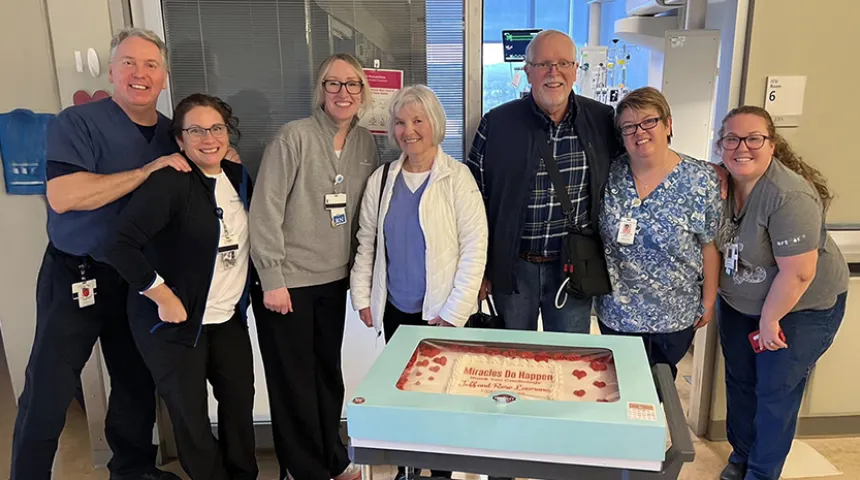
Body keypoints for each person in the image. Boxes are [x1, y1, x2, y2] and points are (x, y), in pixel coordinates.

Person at [11, 28, 183, 480]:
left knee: (134, 383)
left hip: (138, 279)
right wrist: (147, 171)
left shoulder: (172, 134)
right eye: (128, 63)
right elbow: (66, 195)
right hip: (77, 274)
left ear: (164, 77)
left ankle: (132, 470)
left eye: (150, 65)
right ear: (111, 71)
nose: (139, 74)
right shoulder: (77, 122)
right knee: (49, 386)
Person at [105, 94, 258, 480]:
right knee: (190, 416)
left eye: (216, 128)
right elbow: (119, 245)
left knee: (239, 403)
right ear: (179, 140)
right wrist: (162, 295)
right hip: (173, 323)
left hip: (226, 318)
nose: (208, 138)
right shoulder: (170, 182)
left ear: (229, 133)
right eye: (196, 130)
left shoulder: (238, 177)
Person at [249, 53, 379, 480]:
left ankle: (332, 456)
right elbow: (264, 211)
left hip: (333, 281)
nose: (344, 93)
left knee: (326, 374)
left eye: (352, 84)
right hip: (287, 282)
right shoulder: (293, 138)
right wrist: (272, 278)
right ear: (320, 90)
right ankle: (302, 468)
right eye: (333, 84)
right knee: (293, 383)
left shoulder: (366, 144)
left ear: (364, 91)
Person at [350, 85, 488, 480]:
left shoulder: (457, 178)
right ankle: (408, 468)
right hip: (397, 309)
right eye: (399, 122)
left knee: (444, 397)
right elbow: (367, 243)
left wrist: (454, 314)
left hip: (442, 314)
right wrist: (363, 296)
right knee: (405, 394)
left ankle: (442, 472)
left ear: (434, 125)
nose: (408, 130)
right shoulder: (382, 180)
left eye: (417, 121)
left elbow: (475, 249)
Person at [714, 106, 848, 480]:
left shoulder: (789, 195)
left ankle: (761, 472)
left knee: (775, 393)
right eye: (732, 139)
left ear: (772, 144)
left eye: (754, 138)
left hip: (799, 308)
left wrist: (771, 319)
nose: (743, 147)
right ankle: (740, 456)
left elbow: (800, 273)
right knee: (740, 381)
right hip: (740, 303)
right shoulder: (721, 183)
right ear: (721, 145)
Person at [466, 29, 622, 334]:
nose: (554, 73)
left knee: (567, 359)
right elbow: (473, 201)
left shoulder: (602, 119)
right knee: (512, 361)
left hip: (573, 266)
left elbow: (637, 165)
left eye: (564, 63)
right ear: (527, 72)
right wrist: (478, 271)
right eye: (543, 65)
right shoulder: (496, 124)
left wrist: (707, 170)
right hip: (512, 268)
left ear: (576, 70)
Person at [595, 87, 721, 379]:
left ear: (668, 124)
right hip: (617, 315)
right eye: (629, 127)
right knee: (618, 390)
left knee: (658, 391)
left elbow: (709, 245)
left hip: (673, 316)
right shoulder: (609, 174)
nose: (640, 132)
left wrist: (709, 300)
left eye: (649, 121)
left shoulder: (701, 179)